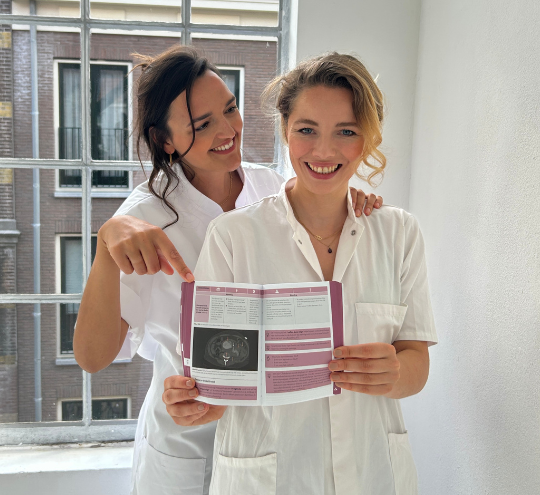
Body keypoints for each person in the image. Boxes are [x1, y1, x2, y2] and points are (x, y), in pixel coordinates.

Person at [73, 46, 383, 495]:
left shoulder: (269, 185)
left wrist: (353, 200)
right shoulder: (144, 217)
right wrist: (106, 248)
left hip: (269, 432)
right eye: (203, 125)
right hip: (187, 434)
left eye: (231, 109)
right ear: (165, 140)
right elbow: (91, 356)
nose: (228, 130)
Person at [167, 52, 438, 495]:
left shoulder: (399, 233)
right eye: (307, 130)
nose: (324, 151)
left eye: (346, 132)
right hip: (268, 479)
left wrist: (395, 373)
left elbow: (416, 362)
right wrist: (194, 403)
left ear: (367, 138)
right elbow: (216, 385)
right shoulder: (233, 236)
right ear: (285, 131)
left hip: (373, 474)